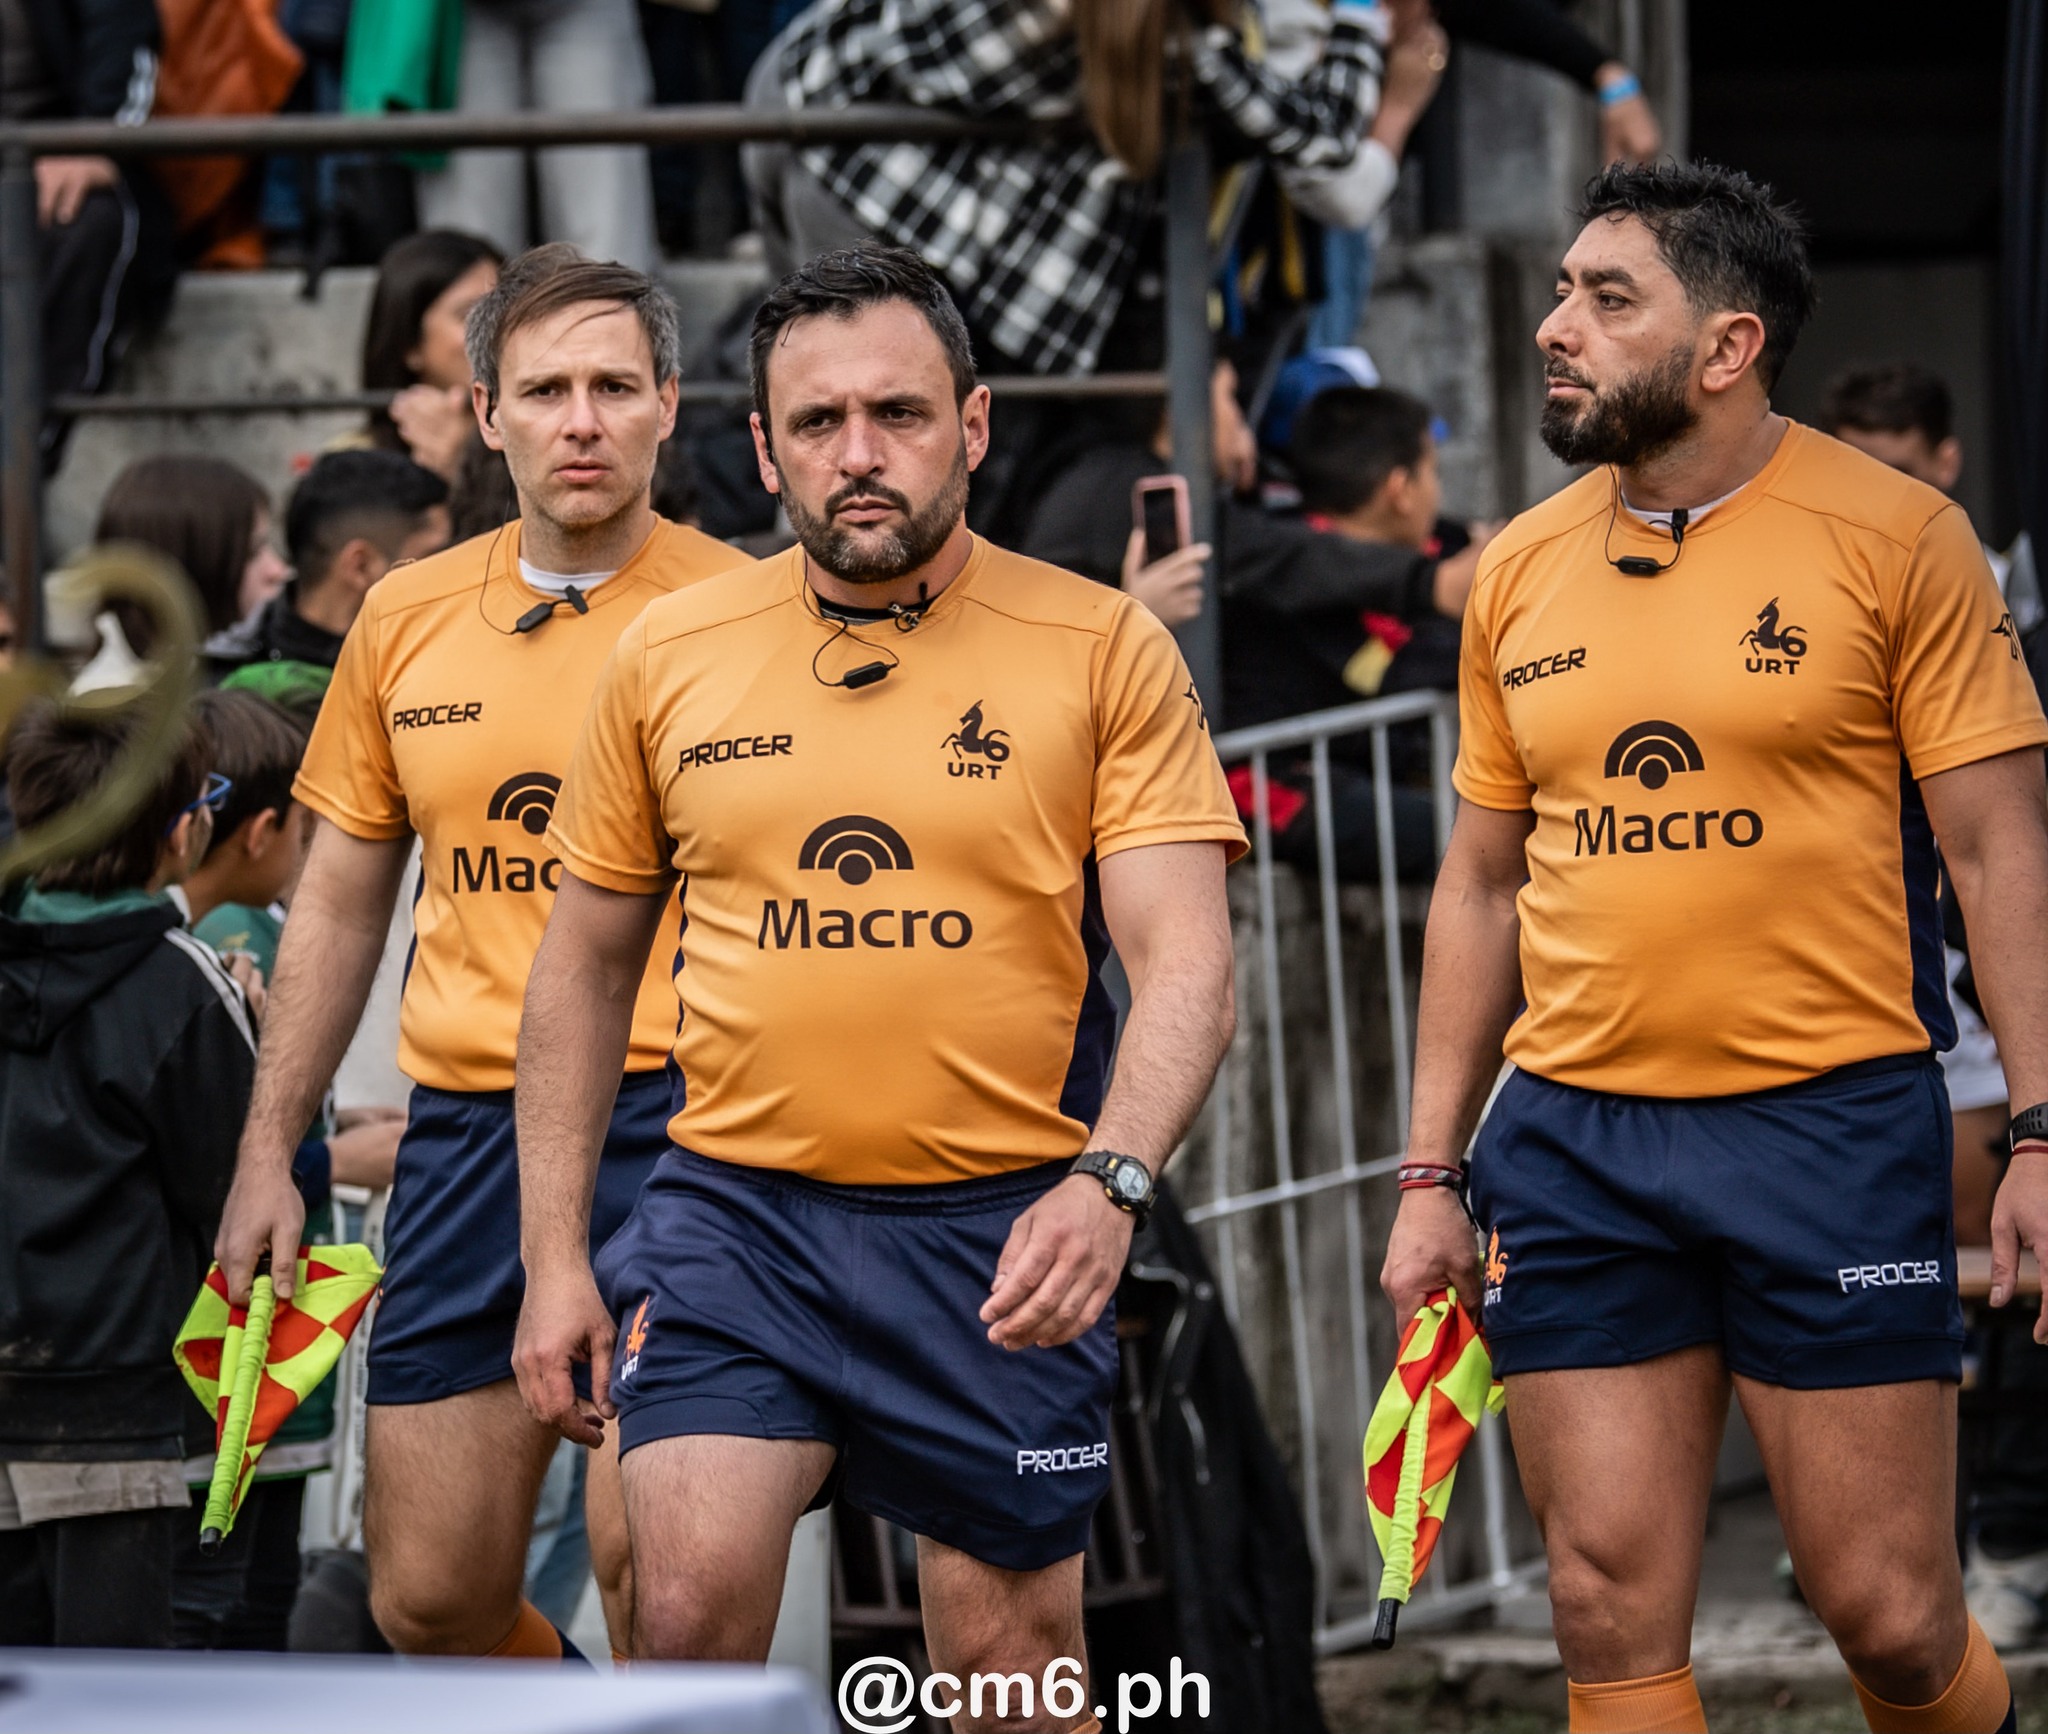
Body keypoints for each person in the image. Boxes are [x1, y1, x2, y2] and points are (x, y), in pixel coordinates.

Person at [512, 245, 1243, 1723]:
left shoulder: (1100, 644)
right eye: (819, 421)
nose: (859, 454)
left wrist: (1109, 1184)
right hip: (739, 1223)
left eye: (898, 415)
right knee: (679, 1616)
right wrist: (554, 1257)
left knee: (1007, 1672)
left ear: (970, 426)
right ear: (762, 445)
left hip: (1001, 1232)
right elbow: (581, 969)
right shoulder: (669, 651)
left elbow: (1187, 959)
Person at [1381, 159, 2048, 1734]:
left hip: (1828, 1126)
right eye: (1562, 290)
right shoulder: (1518, 567)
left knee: (1891, 1614)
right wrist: (1426, 1171)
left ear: (1729, 346)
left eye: (1608, 299)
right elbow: (1479, 883)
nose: (1557, 326)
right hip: (1575, 1141)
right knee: (1605, 1603)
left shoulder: (1901, 537)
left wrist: (2039, 1127)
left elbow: (1998, 846)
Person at [210, 243, 751, 1662]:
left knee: (660, 1582)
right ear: (484, 411)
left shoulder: (749, 611)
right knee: (429, 1599)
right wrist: (273, 1151)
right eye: (546, 389)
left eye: (614, 387)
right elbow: (338, 906)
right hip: (469, 1132)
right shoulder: (404, 613)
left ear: (668, 404)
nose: (582, 420)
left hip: (690, 1128)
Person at [1820, 360, 2048, 1651]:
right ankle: (1904, 1543)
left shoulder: (2002, 604)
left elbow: (2001, 836)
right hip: (1896, 1005)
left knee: (2011, 1268)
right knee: (1922, 1278)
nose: (1874, 496)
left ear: (1947, 462)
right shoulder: (1810, 596)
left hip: (1997, 996)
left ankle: (2003, 1538)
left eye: (1897, 467)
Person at [0, 698, 251, 1648]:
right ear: (179, 832)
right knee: (110, 1693)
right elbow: (233, 1196)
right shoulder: (181, 985)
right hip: (115, 1413)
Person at [175, 689, 401, 1651]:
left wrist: (335, 1118)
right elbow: (201, 1144)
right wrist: (335, 1157)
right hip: (223, 1348)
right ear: (267, 829)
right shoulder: (218, 953)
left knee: (254, 1590)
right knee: (224, 1608)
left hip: (260, 1359)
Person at [3, 0, 179, 470]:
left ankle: (23, 463)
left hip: (55, 171)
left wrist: (92, 143)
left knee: (87, 225)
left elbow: (123, 42)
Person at [416, 0, 657, 274]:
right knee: (468, 243)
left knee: (607, 224)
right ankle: (475, 300)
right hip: (460, 10)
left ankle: (609, 298)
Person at [208, 450, 452, 693]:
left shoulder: (442, 661)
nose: (455, 572)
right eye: (434, 556)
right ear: (360, 566)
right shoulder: (219, 693)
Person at [88, 455, 291, 672]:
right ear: (194, 563)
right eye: (252, 552)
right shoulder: (130, 690)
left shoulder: (187, 667)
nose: (279, 571)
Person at [359, 230, 504, 480]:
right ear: (410, 345)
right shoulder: (359, 466)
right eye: (470, 315)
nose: (497, 330)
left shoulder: (549, 434)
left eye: (504, 309)